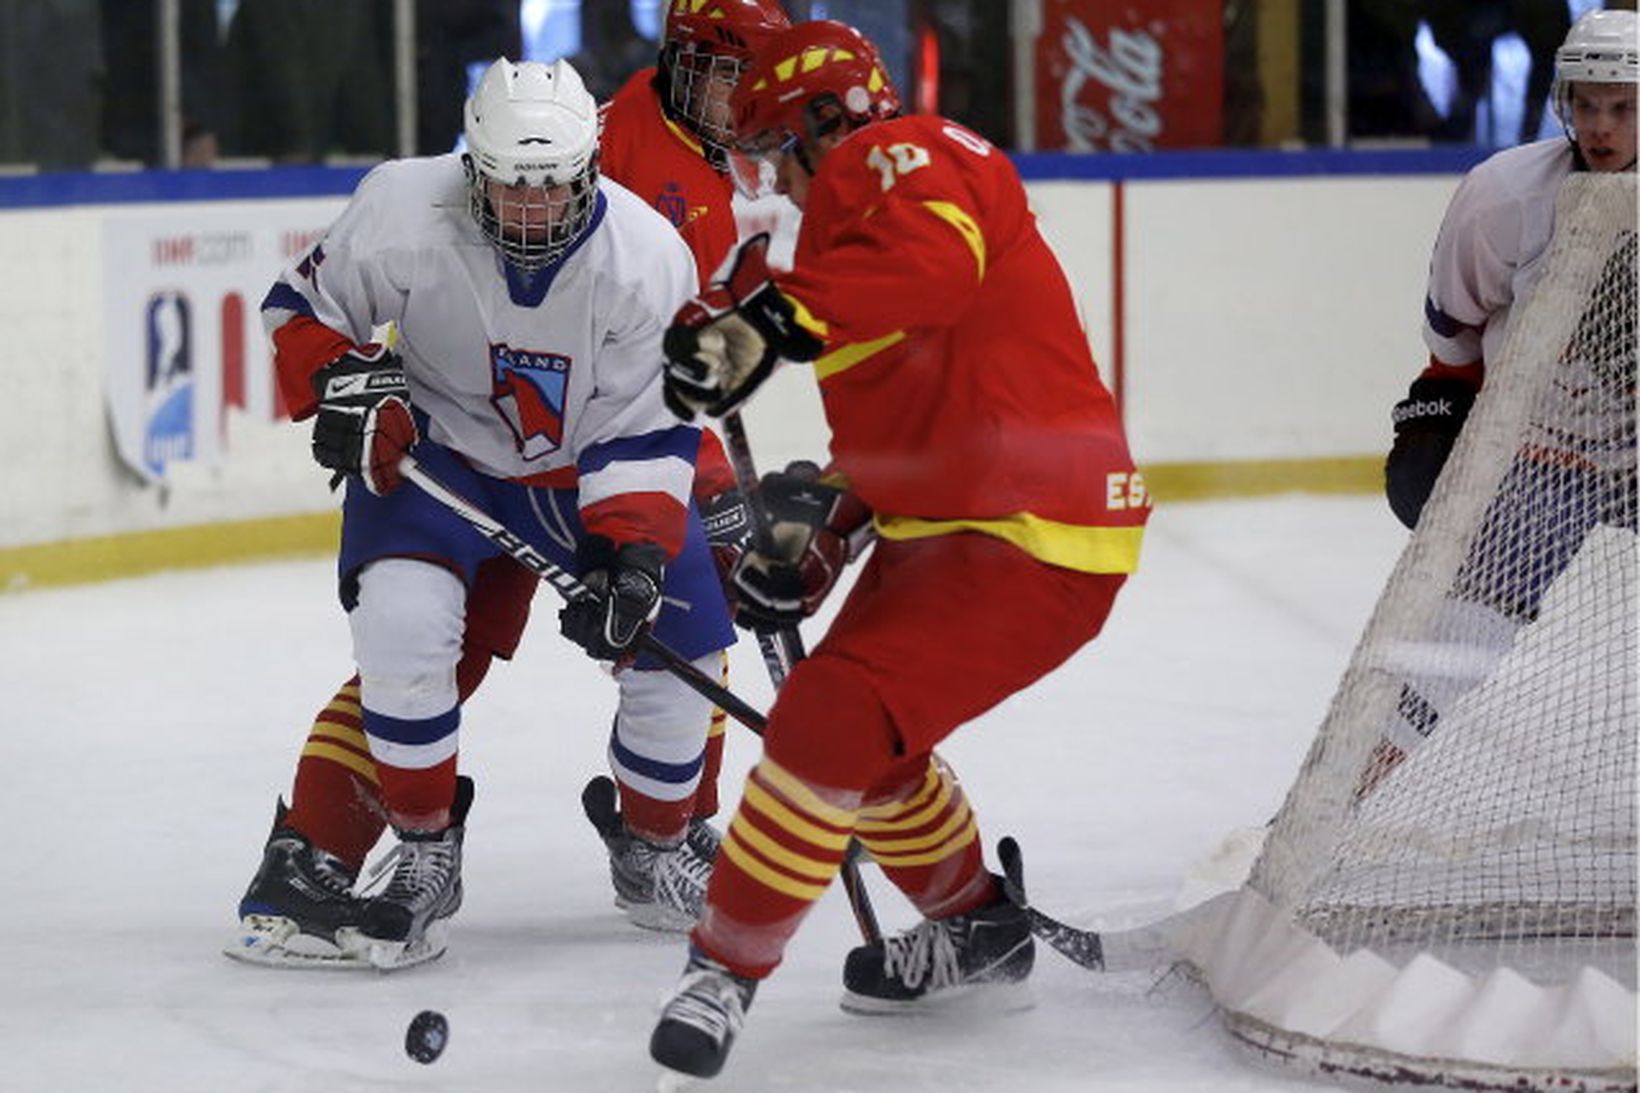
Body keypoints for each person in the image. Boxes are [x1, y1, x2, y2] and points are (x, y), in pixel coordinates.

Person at [644, 20, 1152, 1079]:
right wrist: (820, 528)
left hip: (1021, 528)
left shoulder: (898, 157)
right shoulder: (850, 233)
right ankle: (975, 924)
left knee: (827, 715)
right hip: (961, 524)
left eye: (775, 150)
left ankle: (723, 969)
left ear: (821, 123)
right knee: (870, 745)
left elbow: (933, 268)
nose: (774, 184)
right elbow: (897, 430)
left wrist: (762, 327)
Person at [224, 57, 735, 971]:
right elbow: (300, 305)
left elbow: (645, 432)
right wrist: (345, 386)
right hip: (440, 463)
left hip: (587, 476)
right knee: (403, 636)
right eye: (509, 186)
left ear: (591, 171)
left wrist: (632, 557)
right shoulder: (403, 208)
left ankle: (654, 842)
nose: (532, 209)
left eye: (554, 188)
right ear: (472, 171)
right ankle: (425, 849)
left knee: (678, 664)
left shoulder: (648, 257)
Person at [1374, 7, 1636, 781]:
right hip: (1547, 454)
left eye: (1624, 108)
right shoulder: (1503, 195)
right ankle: (1324, 821)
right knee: (1450, 644)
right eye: (1586, 104)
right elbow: (1453, 345)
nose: (1601, 126)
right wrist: (1438, 418)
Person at [581, 0, 791, 920]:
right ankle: (651, 830)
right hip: (601, 424)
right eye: (726, 76)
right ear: (680, 62)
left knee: (718, 600)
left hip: (664, 411)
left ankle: (671, 813)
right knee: (682, 615)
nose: (741, 97)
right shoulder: (614, 145)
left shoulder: (720, 147)